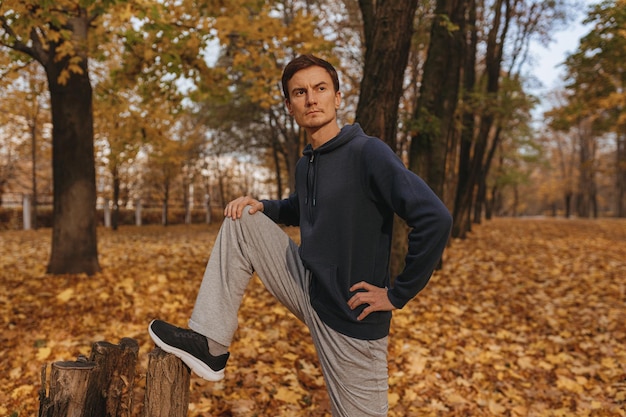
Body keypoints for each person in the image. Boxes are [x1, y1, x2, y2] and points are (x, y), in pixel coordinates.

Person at [148, 54, 452, 416]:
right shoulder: (307, 162)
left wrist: (398, 294)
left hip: (351, 318)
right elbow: (302, 207)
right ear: (290, 106)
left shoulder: (368, 153)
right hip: (308, 286)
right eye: (300, 92)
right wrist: (264, 206)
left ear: (337, 98)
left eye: (320, 89)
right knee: (241, 217)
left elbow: (435, 218)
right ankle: (211, 345)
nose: (311, 99)